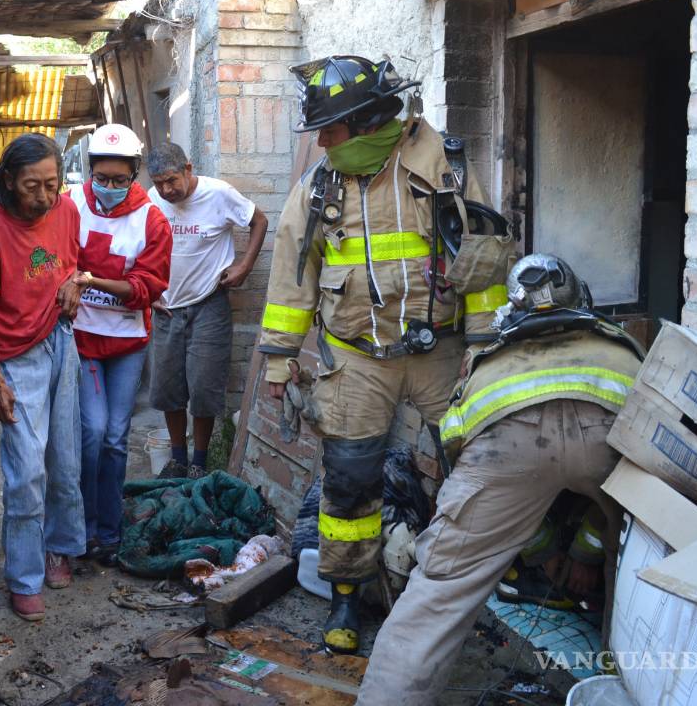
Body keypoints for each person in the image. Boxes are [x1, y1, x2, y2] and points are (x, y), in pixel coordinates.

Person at [258, 55, 510, 654]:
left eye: (330, 130)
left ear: (369, 121)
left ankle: (479, 583)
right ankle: (346, 593)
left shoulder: (443, 167)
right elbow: (292, 277)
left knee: (474, 465)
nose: (322, 143)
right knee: (349, 482)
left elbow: (484, 261)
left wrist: (482, 346)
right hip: (356, 359)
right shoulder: (318, 187)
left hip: (442, 351)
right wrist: (279, 358)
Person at [356, 254, 644, 704]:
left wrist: (541, 549)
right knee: (639, 577)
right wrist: (586, 553)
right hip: (609, 433)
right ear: (582, 301)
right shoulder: (623, 348)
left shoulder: (488, 361)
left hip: (503, 445)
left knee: (438, 594)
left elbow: (460, 450)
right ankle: (623, 689)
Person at [0, 132, 86, 623]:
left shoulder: (68, 210)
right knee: (27, 470)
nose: (44, 196)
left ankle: (59, 548)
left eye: (51, 185)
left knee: (65, 459)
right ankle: (24, 578)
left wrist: (75, 282)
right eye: (32, 186)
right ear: (10, 181)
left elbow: (73, 264)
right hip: (17, 356)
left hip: (61, 340)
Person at [70, 124, 172, 565]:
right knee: (91, 433)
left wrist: (91, 281)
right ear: (89, 170)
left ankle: (110, 534)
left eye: (120, 179)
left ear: (134, 174)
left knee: (115, 437)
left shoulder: (152, 219)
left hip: (128, 342)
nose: (109, 187)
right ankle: (83, 528)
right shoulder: (71, 204)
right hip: (83, 339)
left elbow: (147, 287)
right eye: (102, 178)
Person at [145, 142, 269, 478]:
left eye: (171, 181)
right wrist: (147, 289)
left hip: (208, 306)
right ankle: (177, 459)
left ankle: (199, 463)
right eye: (159, 183)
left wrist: (244, 266)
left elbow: (259, 221)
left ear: (188, 168)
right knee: (168, 390)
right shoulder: (152, 200)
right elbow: (141, 245)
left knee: (203, 388)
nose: (166, 190)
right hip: (167, 308)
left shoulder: (218, 194)